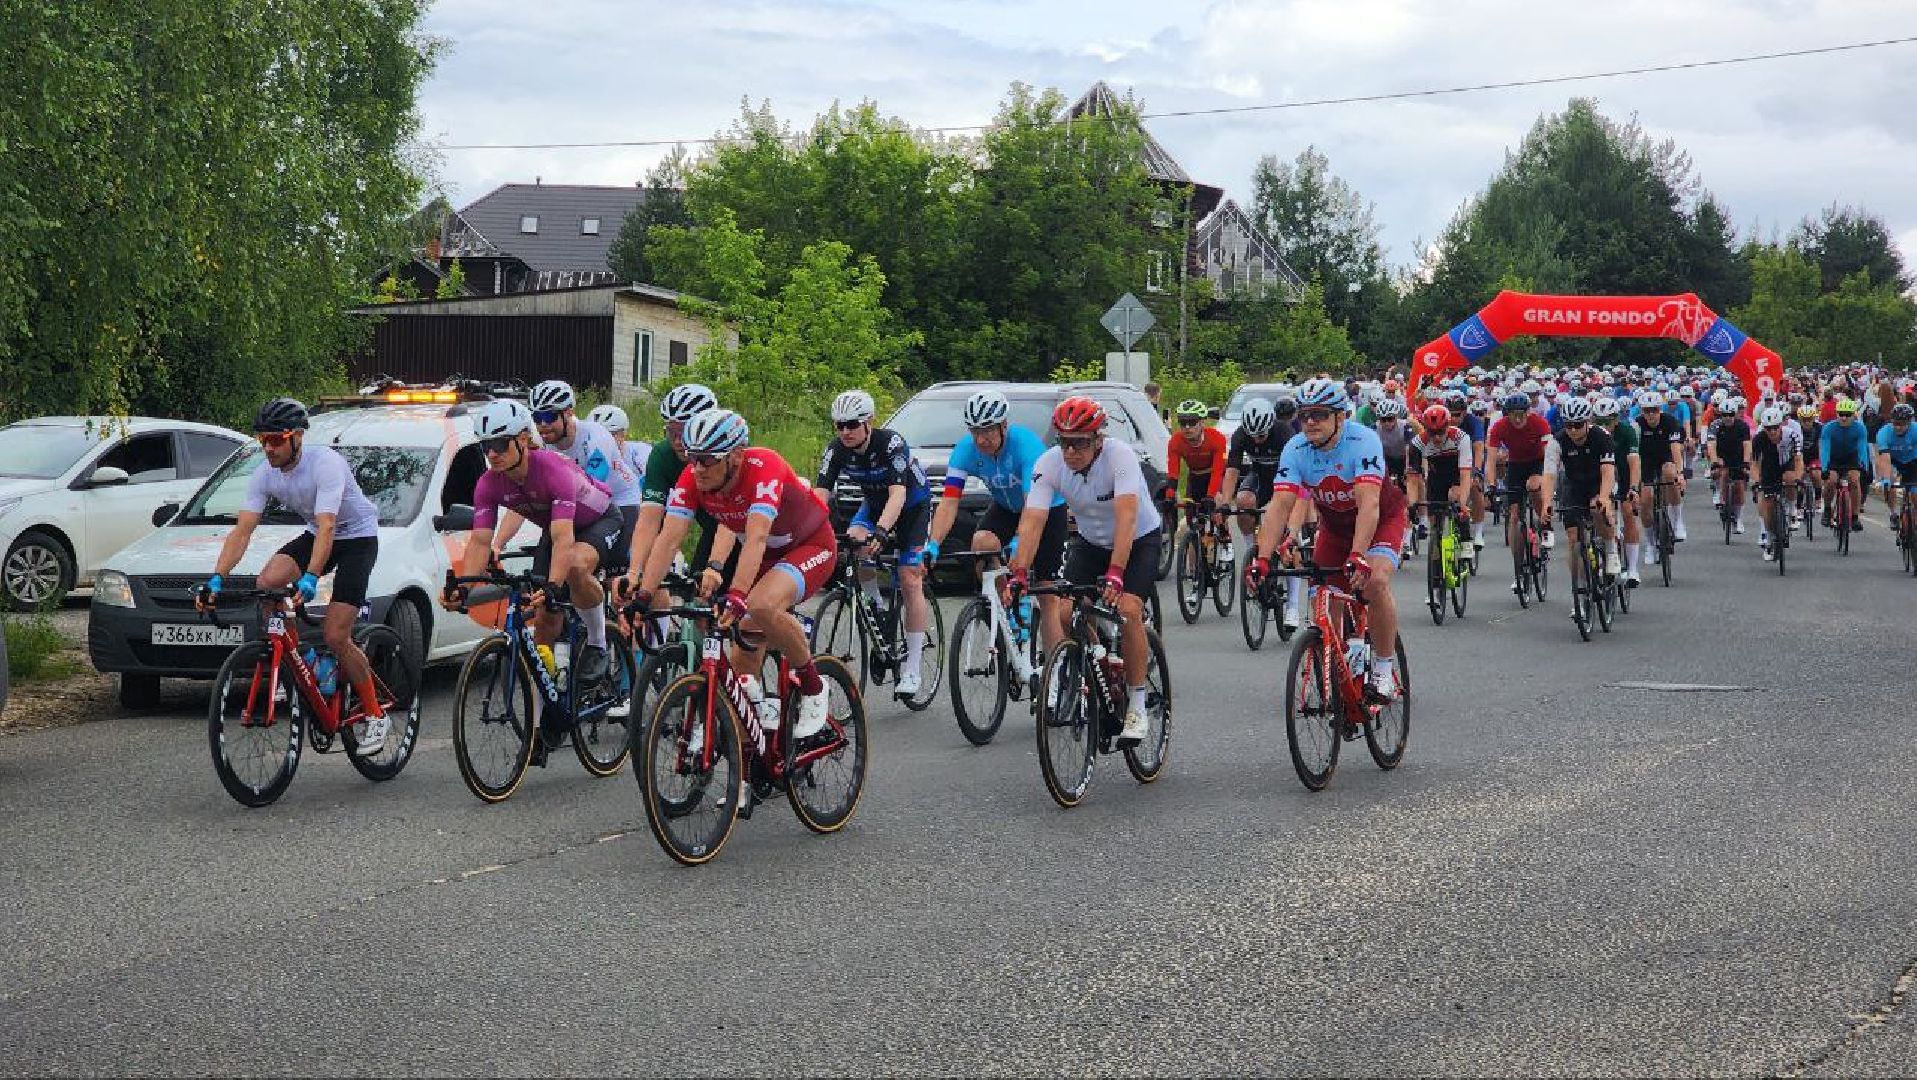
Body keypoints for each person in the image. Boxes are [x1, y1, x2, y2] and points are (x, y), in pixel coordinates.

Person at [629, 409, 839, 738]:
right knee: (742, 659)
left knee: (760, 605)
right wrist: (642, 595)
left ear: (736, 456)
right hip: (765, 556)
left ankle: (813, 686)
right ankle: (750, 758)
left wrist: (739, 595)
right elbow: (668, 539)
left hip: (810, 545)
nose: (697, 467)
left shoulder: (764, 466)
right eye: (692, 457)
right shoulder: (693, 476)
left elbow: (755, 537)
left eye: (707, 459)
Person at [198, 398, 389, 753]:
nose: (268, 448)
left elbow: (329, 524)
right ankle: (291, 662)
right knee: (267, 583)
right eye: (263, 440)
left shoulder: (325, 464)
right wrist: (216, 578)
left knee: (335, 635)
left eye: (276, 439)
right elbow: (242, 531)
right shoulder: (263, 474)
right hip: (317, 535)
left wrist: (312, 577)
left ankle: (375, 714)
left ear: (297, 436)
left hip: (356, 537)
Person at [1006, 396, 1164, 745]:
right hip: (1091, 544)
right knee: (1065, 612)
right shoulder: (1049, 464)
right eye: (1064, 442)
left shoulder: (1119, 456)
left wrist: (1117, 572)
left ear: (1098, 440)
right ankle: (1100, 656)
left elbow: (1127, 516)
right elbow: (1033, 520)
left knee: (1128, 610)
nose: (1071, 451)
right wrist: (1019, 573)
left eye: (1079, 443)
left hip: (1137, 540)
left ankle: (1137, 703)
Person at [445, 399, 620, 696]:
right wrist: (464, 586)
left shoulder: (554, 469)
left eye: (500, 444)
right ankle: (544, 717)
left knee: (574, 568)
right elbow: (480, 540)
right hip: (556, 529)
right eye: (486, 445)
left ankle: (597, 642)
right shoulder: (488, 484)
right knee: (544, 622)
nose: (491, 453)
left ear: (524, 440)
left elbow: (564, 538)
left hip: (598, 520)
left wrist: (553, 584)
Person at [1249, 379, 1409, 700]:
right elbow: (1281, 504)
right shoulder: (1295, 448)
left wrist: (1359, 554)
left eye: (1320, 415)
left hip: (1380, 521)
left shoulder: (1362, 441)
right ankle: (1338, 669)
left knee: (1374, 582)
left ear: (1340, 417)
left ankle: (1382, 669)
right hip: (1336, 529)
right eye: (1305, 415)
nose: (1310, 422)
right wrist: (1263, 559)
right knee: (1324, 597)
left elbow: (1369, 505)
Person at [924, 389, 1068, 650]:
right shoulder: (965, 451)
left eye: (988, 430)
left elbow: (1031, 506)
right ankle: (1007, 604)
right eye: (975, 431)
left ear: (1004, 425)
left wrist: (1019, 543)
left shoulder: (1026, 446)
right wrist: (933, 543)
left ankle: (1055, 674)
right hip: (1005, 507)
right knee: (981, 542)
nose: (980, 439)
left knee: (1047, 593)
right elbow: (949, 502)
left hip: (1044, 510)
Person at [817, 389, 935, 699]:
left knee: (910, 577)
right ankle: (877, 608)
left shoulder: (890, 443)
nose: (845, 432)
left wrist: (882, 532)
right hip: (872, 504)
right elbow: (819, 496)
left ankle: (911, 667)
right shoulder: (837, 449)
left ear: (870, 421)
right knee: (855, 542)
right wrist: (814, 531)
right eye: (839, 425)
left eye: (852, 425)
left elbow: (898, 495)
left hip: (911, 506)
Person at [509, 380, 644, 575]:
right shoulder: (538, 443)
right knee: (542, 573)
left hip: (619, 502)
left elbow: (591, 492)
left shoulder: (595, 437)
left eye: (549, 416)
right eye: (537, 417)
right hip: (571, 502)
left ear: (569, 412)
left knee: (614, 571)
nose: (543, 425)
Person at [1218, 397, 1299, 626]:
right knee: (1243, 500)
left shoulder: (1284, 434)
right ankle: (1253, 549)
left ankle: (1292, 604)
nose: (1256, 440)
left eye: (1261, 436)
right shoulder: (1240, 435)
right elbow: (1232, 471)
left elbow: (1297, 473)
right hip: (1261, 478)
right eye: (1252, 436)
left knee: (1287, 539)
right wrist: (1225, 502)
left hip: (1285, 480)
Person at [1486, 391, 1557, 593]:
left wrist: (1544, 478)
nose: (1518, 419)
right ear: (1506, 414)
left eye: (1522, 414)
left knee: (1534, 486)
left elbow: (1550, 455)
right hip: (1515, 464)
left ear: (1528, 412)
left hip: (1538, 461)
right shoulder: (1499, 426)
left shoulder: (1540, 423)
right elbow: (1491, 459)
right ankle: (1518, 571)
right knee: (1514, 516)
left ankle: (1544, 523)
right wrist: (1491, 485)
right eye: (1513, 414)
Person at [1543, 397, 1620, 579]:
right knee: (1573, 538)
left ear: (1588, 422)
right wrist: (1546, 502)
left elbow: (1608, 471)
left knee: (1597, 508)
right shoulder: (1557, 440)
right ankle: (1581, 589)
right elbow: (1549, 475)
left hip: (1599, 482)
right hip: (1574, 485)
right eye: (1568, 425)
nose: (1573, 430)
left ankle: (1611, 551)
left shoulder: (1602, 436)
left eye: (1578, 425)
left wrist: (1604, 497)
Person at [1411, 404, 1476, 569]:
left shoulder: (1461, 437)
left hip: (1457, 474)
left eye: (1441, 432)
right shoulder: (1418, 443)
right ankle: (1436, 577)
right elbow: (1412, 479)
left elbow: (1465, 474)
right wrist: (1412, 505)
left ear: (1448, 426)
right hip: (1436, 477)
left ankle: (1466, 537)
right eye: (1432, 433)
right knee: (1435, 525)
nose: (1437, 438)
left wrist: (1463, 503)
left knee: (1455, 497)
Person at [1592, 396, 1644, 585]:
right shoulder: (1592, 433)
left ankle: (1632, 569)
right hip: (1601, 475)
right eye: (1600, 421)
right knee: (1599, 511)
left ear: (1616, 419)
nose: (1605, 425)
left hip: (1623, 473)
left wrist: (1633, 487)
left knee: (1628, 512)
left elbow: (1634, 461)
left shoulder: (1627, 431)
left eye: (1609, 421)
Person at [1632, 391, 1689, 556]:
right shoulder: (1636, 425)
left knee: (1670, 473)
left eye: (1654, 410)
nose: (1651, 414)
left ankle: (1678, 521)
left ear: (1660, 410)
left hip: (1666, 456)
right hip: (1646, 461)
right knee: (1646, 498)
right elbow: (1633, 455)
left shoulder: (1670, 422)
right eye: (1647, 410)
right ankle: (1650, 543)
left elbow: (1675, 449)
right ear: (1642, 411)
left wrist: (1680, 474)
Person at [1167, 399, 1228, 541]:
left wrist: (1211, 496)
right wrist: (1169, 496)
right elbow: (1173, 472)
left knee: (1217, 508)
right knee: (1193, 526)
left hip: (1214, 477)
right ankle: (1193, 561)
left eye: (1192, 422)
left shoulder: (1216, 438)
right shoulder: (1176, 441)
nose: (1187, 427)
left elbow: (1218, 471)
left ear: (1202, 422)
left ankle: (1225, 539)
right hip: (1194, 478)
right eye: (1183, 423)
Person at [1751, 406, 1805, 561]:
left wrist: (1798, 478)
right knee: (1767, 504)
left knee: (1790, 478)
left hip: (1787, 464)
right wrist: (1756, 482)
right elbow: (1754, 463)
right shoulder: (1759, 439)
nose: (1772, 432)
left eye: (1775, 427)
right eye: (1768, 428)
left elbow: (1798, 460)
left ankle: (1792, 509)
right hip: (1769, 467)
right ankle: (1768, 537)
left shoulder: (1792, 435)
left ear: (1781, 425)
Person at [1820, 398, 1870, 533]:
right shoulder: (1828, 428)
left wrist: (1864, 467)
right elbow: (1824, 449)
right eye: (1840, 414)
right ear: (1836, 414)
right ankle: (1827, 509)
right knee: (1831, 481)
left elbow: (1862, 449)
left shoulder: (1860, 428)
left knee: (1854, 481)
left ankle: (1854, 517)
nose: (1843, 418)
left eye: (1847, 414)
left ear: (1854, 414)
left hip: (1851, 457)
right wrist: (1824, 468)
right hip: (1834, 458)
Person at [1706, 399, 1753, 535]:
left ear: (1735, 414)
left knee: (1739, 485)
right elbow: (1711, 445)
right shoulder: (1715, 425)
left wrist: (1745, 462)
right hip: (1722, 456)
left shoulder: (1742, 426)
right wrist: (1714, 461)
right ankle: (1722, 495)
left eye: (1730, 415)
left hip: (1738, 456)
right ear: (1721, 415)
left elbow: (1747, 445)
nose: (1727, 418)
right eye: (1724, 415)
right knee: (1723, 474)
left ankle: (1738, 518)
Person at [586, 403, 651, 491]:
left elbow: (652, 481)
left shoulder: (640, 452)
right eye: (596, 436)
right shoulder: (587, 456)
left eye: (609, 435)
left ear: (623, 435)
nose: (601, 440)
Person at [1873, 402, 1917, 520]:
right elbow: (1885, 459)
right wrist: (1886, 479)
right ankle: (1893, 513)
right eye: (1895, 423)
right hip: (1892, 461)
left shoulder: (1915, 430)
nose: (1898, 427)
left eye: (1902, 424)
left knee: (1915, 494)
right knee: (1889, 484)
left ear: (1909, 422)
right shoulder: (1884, 433)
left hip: (1912, 461)